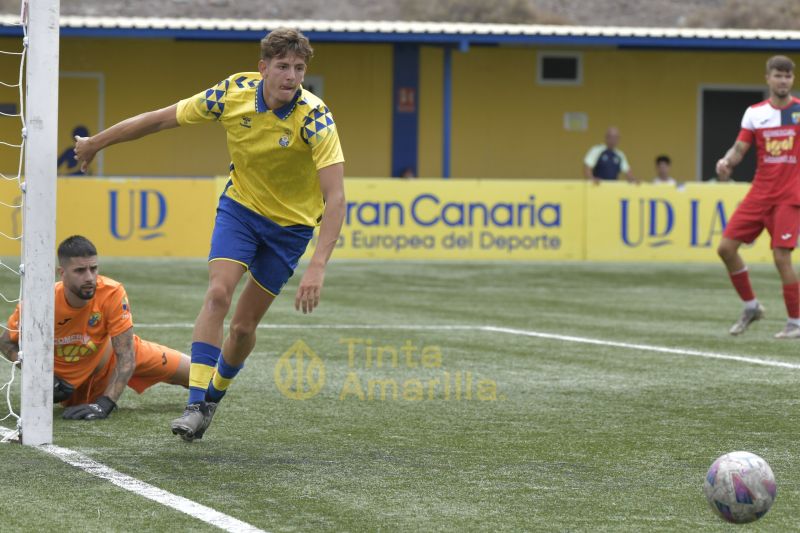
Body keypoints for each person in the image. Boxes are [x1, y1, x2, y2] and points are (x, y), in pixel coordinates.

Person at [73, 28, 346, 441]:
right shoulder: (232, 93)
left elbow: (336, 197)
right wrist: (96, 142)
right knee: (218, 294)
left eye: (299, 68)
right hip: (241, 210)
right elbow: (159, 119)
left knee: (243, 328)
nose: (291, 76)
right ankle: (195, 403)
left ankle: (212, 398)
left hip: (290, 230)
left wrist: (318, 266)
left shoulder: (315, 117)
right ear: (263, 68)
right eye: (283, 66)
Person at [0, 235, 190, 419]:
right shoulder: (39, 302)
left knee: (199, 374)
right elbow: (6, 343)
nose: (89, 277)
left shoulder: (111, 292)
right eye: (80, 271)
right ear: (62, 273)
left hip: (112, 357)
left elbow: (127, 356)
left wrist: (106, 403)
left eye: (93, 268)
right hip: (73, 383)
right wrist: (41, 376)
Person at [716, 55, 800, 338]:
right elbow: (739, 148)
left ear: (792, 79)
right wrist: (726, 162)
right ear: (768, 79)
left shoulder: (799, 111)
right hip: (759, 194)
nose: (783, 81)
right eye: (778, 75)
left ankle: (795, 322)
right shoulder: (755, 113)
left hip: (789, 197)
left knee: (781, 257)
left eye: (788, 76)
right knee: (726, 249)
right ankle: (751, 307)